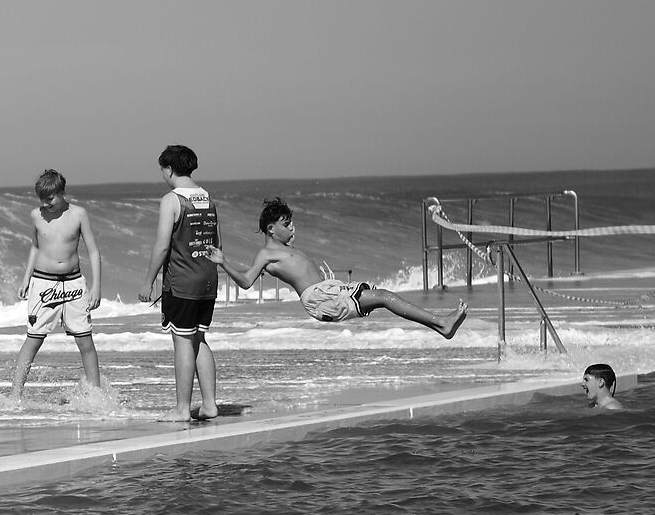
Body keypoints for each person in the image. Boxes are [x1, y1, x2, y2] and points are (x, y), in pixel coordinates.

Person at [206, 198, 468, 338]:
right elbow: (247, 281)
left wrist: (290, 245)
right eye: (287, 224)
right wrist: (223, 261)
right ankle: (441, 323)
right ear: (271, 228)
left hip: (329, 291)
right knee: (385, 297)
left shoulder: (284, 248)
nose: (293, 228)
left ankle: (440, 326)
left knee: (384, 297)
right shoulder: (265, 253)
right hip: (319, 298)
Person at [140, 145, 223, 423]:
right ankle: (210, 404)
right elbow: (217, 244)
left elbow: (162, 246)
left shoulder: (171, 200)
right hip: (208, 280)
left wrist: (148, 281)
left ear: (170, 169)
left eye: (162, 170)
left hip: (182, 283)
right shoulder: (208, 199)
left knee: (182, 341)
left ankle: (182, 409)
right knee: (200, 338)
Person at [6, 169, 103, 398]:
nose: (46, 203)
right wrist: (26, 278)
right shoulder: (36, 215)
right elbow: (35, 246)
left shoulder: (79, 214)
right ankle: (15, 394)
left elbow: (94, 251)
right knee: (33, 339)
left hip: (73, 283)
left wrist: (96, 286)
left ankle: (96, 395)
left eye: (50, 198)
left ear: (62, 192)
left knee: (85, 340)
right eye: (42, 199)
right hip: (43, 283)